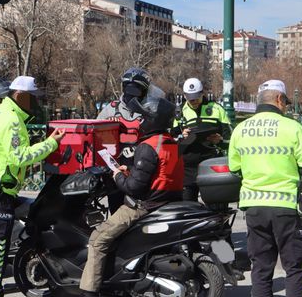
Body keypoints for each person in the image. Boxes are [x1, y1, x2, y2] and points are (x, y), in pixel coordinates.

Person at [80, 96, 184, 297]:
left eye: (143, 118)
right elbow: (160, 175)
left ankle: (88, 291)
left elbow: (134, 189)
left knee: (97, 240)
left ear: (153, 120)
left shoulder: (148, 146)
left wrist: (118, 175)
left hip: (143, 206)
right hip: (166, 202)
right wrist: (130, 171)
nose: (140, 122)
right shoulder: (172, 143)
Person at [0, 76, 65, 297]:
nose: (36, 103)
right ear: (21, 96)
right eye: (33, 98)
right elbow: (20, 157)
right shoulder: (12, 121)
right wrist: (52, 144)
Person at [228, 79, 302, 297]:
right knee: (294, 268)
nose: (286, 107)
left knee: (261, 268)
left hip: (253, 207)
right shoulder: (292, 127)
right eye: (286, 103)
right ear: (279, 99)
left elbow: (234, 167)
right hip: (285, 207)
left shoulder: (241, 129)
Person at [97, 67, 151, 213]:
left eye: (136, 90)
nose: (131, 93)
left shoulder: (150, 112)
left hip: (139, 170)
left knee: (139, 211)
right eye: (128, 88)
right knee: (116, 210)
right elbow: (95, 136)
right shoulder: (110, 109)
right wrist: (108, 125)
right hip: (115, 171)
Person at [172, 77, 231, 201]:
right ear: (184, 95)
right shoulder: (179, 112)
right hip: (188, 167)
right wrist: (182, 137)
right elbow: (173, 142)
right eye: (190, 97)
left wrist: (219, 141)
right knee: (187, 208)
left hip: (212, 163)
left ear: (202, 93)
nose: (193, 100)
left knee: (216, 207)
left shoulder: (217, 109)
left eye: (196, 97)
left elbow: (231, 139)